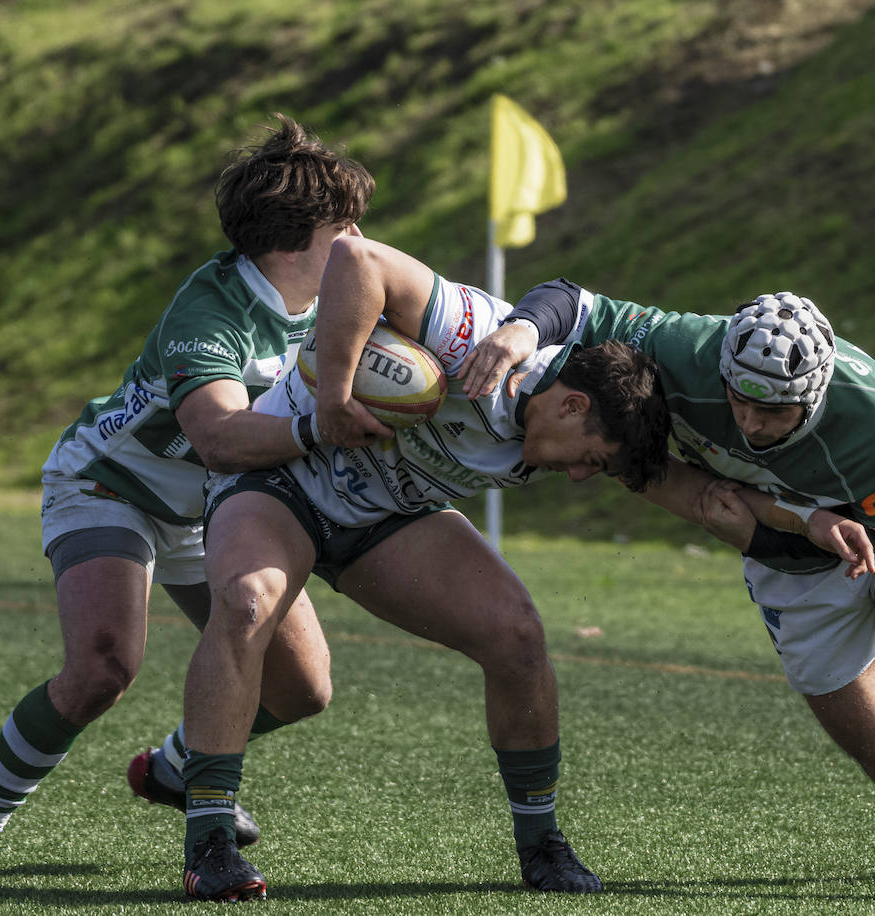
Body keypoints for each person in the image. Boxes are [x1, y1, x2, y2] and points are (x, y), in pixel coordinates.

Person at [458, 279, 875, 906]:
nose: (751, 424)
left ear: (814, 398)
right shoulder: (693, 351)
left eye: (774, 412)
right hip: (786, 555)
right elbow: (575, 301)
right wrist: (521, 329)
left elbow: (873, 550)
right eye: (739, 401)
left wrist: (783, 526)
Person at [0, 115, 373, 882]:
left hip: (218, 505)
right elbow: (220, 437)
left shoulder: (345, 295)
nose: (365, 240)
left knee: (303, 688)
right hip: (115, 483)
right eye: (349, 224)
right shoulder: (212, 311)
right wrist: (326, 427)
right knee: (104, 665)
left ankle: (176, 766)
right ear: (297, 241)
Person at [175, 237, 670, 901]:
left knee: (518, 636)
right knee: (248, 603)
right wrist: (333, 400)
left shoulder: (559, 422)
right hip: (281, 478)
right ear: (572, 405)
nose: (581, 476)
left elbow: (569, 301)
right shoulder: (476, 338)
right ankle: (210, 842)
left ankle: (542, 844)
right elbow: (356, 259)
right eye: (590, 458)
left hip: (389, 517)